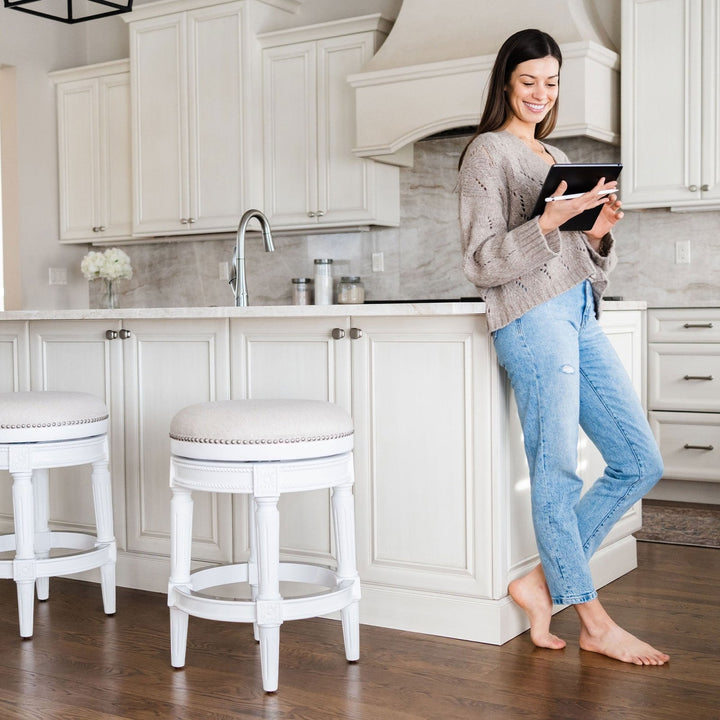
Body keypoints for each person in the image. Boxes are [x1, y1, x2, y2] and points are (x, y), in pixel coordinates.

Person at [458, 28, 669, 666]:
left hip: (578, 312)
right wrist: (548, 220)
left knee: (639, 460)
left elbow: (579, 265)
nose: (540, 95)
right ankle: (594, 621)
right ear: (505, 84)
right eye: (528, 82)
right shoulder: (487, 154)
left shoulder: (556, 157)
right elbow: (481, 260)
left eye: (550, 84)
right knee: (556, 468)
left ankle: (540, 584)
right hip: (528, 319)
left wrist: (598, 233)